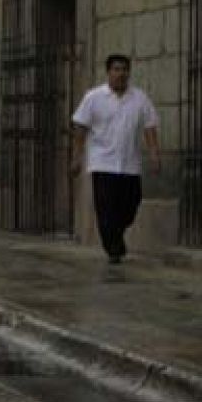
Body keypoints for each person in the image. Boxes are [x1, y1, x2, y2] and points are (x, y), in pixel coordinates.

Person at [70, 54, 160, 264]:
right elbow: (80, 127)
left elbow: (150, 126)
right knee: (106, 208)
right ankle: (114, 249)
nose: (121, 74)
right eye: (117, 69)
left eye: (124, 70)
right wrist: (77, 156)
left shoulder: (139, 98)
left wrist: (154, 152)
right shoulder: (93, 97)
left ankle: (116, 235)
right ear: (108, 72)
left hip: (130, 164)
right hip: (103, 163)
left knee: (131, 206)